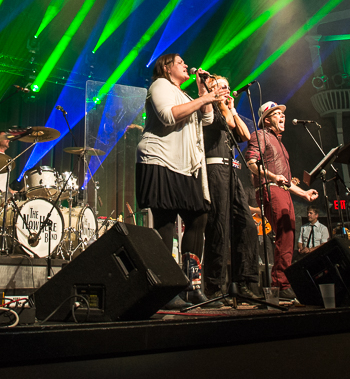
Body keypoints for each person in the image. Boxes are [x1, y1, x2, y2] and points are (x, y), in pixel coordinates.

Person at [136, 52, 225, 307]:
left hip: (186, 165)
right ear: (166, 68)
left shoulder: (186, 95)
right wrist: (205, 98)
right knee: (164, 220)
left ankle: (191, 285)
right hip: (160, 158)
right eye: (180, 62)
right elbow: (168, 116)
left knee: (199, 216)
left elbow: (207, 118)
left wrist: (202, 93)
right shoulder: (159, 85)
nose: (186, 64)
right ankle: (167, 290)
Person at [245, 101, 319, 300]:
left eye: (282, 114)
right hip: (270, 190)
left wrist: (303, 194)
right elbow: (251, 163)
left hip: (281, 190)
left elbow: (284, 179)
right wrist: (272, 177)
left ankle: (283, 282)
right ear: (267, 119)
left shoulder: (279, 143)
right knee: (285, 235)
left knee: (288, 235)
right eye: (277, 114)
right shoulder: (260, 135)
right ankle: (280, 282)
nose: (282, 116)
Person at [201, 75, 258, 301]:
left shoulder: (227, 111)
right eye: (222, 87)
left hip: (232, 171)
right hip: (215, 170)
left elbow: (245, 135)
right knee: (219, 227)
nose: (227, 90)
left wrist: (233, 108)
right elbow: (230, 125)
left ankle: (243, 282)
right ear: (213, 89)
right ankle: (213, 286)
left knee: (246, 224)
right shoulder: (209, 110)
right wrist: (223, 104)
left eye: (228, 87)